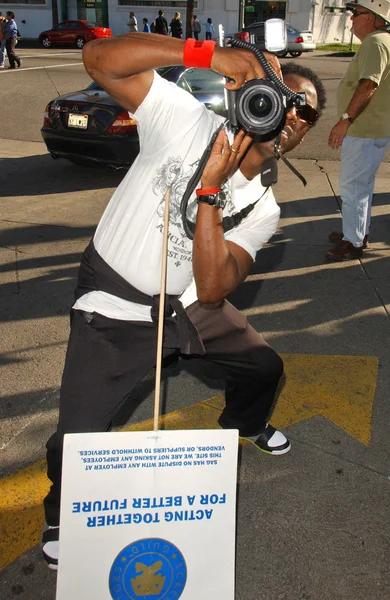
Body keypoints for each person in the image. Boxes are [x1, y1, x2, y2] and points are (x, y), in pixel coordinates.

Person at [41, 33, 326, 569]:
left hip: (190, 302)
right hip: (115, 304)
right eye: (278, 94)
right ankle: (61, 509)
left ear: (305, 131)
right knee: (73, 439)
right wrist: (208, 55)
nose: (286, 114)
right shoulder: (183, 119)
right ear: (247, 89)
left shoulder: (265, 209)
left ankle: (244, 424)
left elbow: (216, 289)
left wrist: (211, 193)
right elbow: (98, 59)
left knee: (264, 367)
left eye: (302, 111)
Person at [326, 0, 390, 261]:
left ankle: (352, 242)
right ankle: (357, 231)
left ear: (373, 17)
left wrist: (345, 120)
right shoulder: (381, 40)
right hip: (372, 129)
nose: (351, 18)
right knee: (362, 187)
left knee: (352, 188)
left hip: (363, 129)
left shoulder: (376, 43)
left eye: (357, 13)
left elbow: (369, 85)